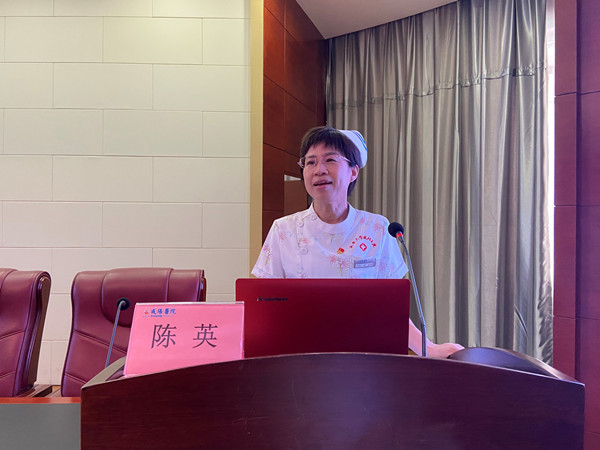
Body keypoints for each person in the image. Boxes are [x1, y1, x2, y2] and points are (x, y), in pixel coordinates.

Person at [252, 126, 463, 358]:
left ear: (353, 172)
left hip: (365, 356)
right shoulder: (284, 229)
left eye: (330, 159)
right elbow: (263, 304)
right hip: (300, 355)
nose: (319, 170)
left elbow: (392, 310)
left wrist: (428, 348)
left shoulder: (378, 228)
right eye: (310, 162)